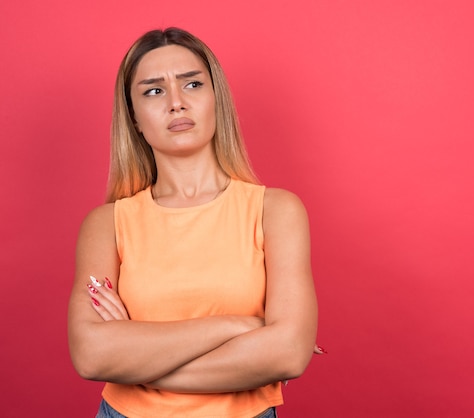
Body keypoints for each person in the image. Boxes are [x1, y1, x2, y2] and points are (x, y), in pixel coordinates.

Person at [67, 27, 322, 418]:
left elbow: (288, 354)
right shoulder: (107, 225)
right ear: (134, 117)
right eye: (153, 90)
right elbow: (91, 355)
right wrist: (239, 326)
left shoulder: (277, 211)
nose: (176, 103)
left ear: (216, 98)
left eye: (192, 84)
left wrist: (137, 362)